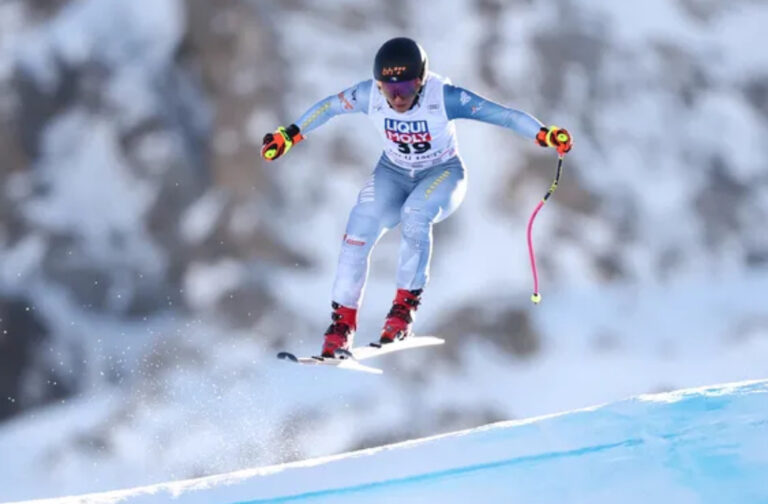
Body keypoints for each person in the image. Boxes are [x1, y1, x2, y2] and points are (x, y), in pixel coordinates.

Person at [261, 37, 572, 358]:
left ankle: (402, 312)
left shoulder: (445, 97)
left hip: (441, 174)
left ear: (421, 81)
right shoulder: (369, 94)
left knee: (415, 213)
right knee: (357, 232)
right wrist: (290, 134)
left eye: (406, 89)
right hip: (392, 173)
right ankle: (341, 327)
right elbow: (329, 106)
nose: (396, 98)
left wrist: (544, 134)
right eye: (388, 89)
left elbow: (502, 115)